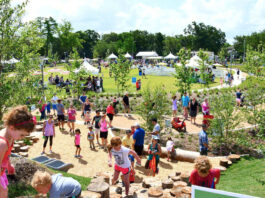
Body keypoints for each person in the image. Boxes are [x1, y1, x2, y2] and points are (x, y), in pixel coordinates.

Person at [0, 106, 35, 198]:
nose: (22, 137)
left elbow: (5, 156)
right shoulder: (2, 143)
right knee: (3, 192)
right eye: (22, 135)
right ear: (12, 128)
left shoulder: (11, 136)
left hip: (1, 171)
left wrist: (8, 165)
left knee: (5, 191)